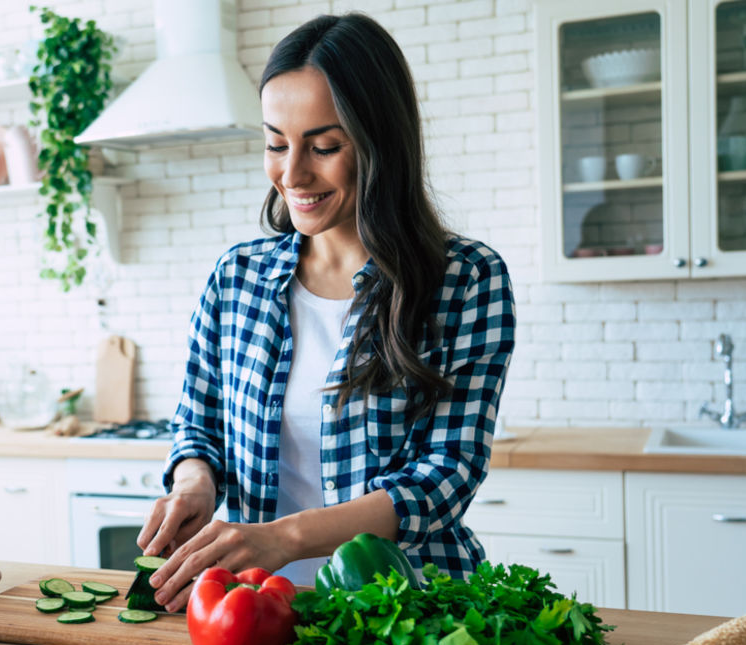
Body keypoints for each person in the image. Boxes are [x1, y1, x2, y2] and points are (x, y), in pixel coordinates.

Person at [136, 12, 516, 613]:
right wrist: (194, 483)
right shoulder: (237, 277)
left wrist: (284, 538)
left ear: (379, 143)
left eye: (324, 147)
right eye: (275, 144)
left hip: (408, 611)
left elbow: (447, 474)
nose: (292, 174)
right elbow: (198, 427)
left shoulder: (464, 279)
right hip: (258, 609)